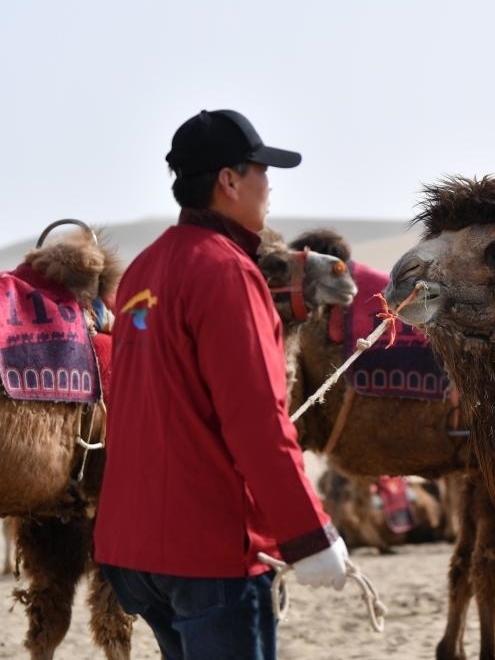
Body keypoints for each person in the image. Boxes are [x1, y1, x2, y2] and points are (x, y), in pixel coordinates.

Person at [94, 109, 348, 659]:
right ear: (229, 181)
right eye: (261, 169)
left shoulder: (143, 269)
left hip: (134, 551)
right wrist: (310, 535)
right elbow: (258, 422)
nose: (269, 184)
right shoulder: (228, 272)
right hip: (208, 552)